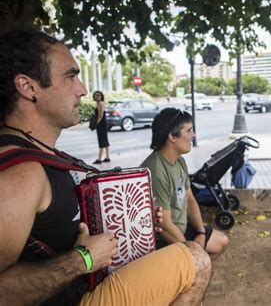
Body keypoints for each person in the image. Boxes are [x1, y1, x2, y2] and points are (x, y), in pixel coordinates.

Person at [0, 29, 211, 305]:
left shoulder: (42, 154)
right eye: (70, 76)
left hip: (85, 282)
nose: (83, 89)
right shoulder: (20, 172)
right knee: (196, 259)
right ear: (28, 88)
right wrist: (82, 260)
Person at [141, 108, 229, 260]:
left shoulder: (179, 160)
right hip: (163, 241)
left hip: (181, 228)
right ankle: (185, 276)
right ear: (172, 137)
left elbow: (189, 199)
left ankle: (189, 277)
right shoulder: (155, 171)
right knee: (197, 262)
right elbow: (164, 225)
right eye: (189, 131)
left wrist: (201, 232)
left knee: (221, 242)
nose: (193, 136)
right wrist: (190, 252)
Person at [92, 90, 111, 164]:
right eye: (96, 95)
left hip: (101, 124)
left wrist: (96, 124)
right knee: (105, 141)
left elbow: (100, 115)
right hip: (103, 123)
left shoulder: (100, 103)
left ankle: (99, 159)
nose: (97, 97)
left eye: (99, 95)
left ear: (101, 96)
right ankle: (107, 157)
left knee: (102, 141)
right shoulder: (99, 103)